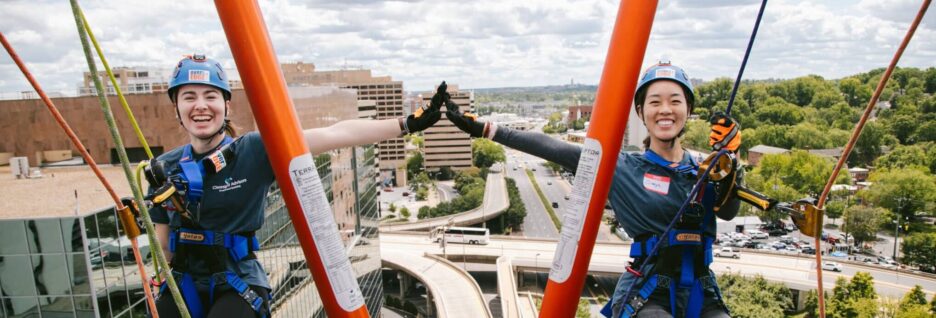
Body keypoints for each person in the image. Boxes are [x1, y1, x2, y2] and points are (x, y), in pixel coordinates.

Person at [146, 54, 447, 318]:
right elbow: (163, 244)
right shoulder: (165, 167)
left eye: (210, 96)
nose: (201, 106)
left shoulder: (253, 150)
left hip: (236, 281)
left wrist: (406, 124)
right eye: (189, 97)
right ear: (177, 107)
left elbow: (333, 134)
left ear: (226, 105)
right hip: (183, 279)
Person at [445, 61, 742, 318]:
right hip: (649, 293)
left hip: (702, 290)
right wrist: (486, 129)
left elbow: (728, 211)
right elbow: (553, 148)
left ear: (689, 109)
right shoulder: (622, 167)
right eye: (655, 102)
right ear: (641, 112)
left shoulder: (708, 167)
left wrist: (732, 161)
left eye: (675, 101)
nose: (665, 109)